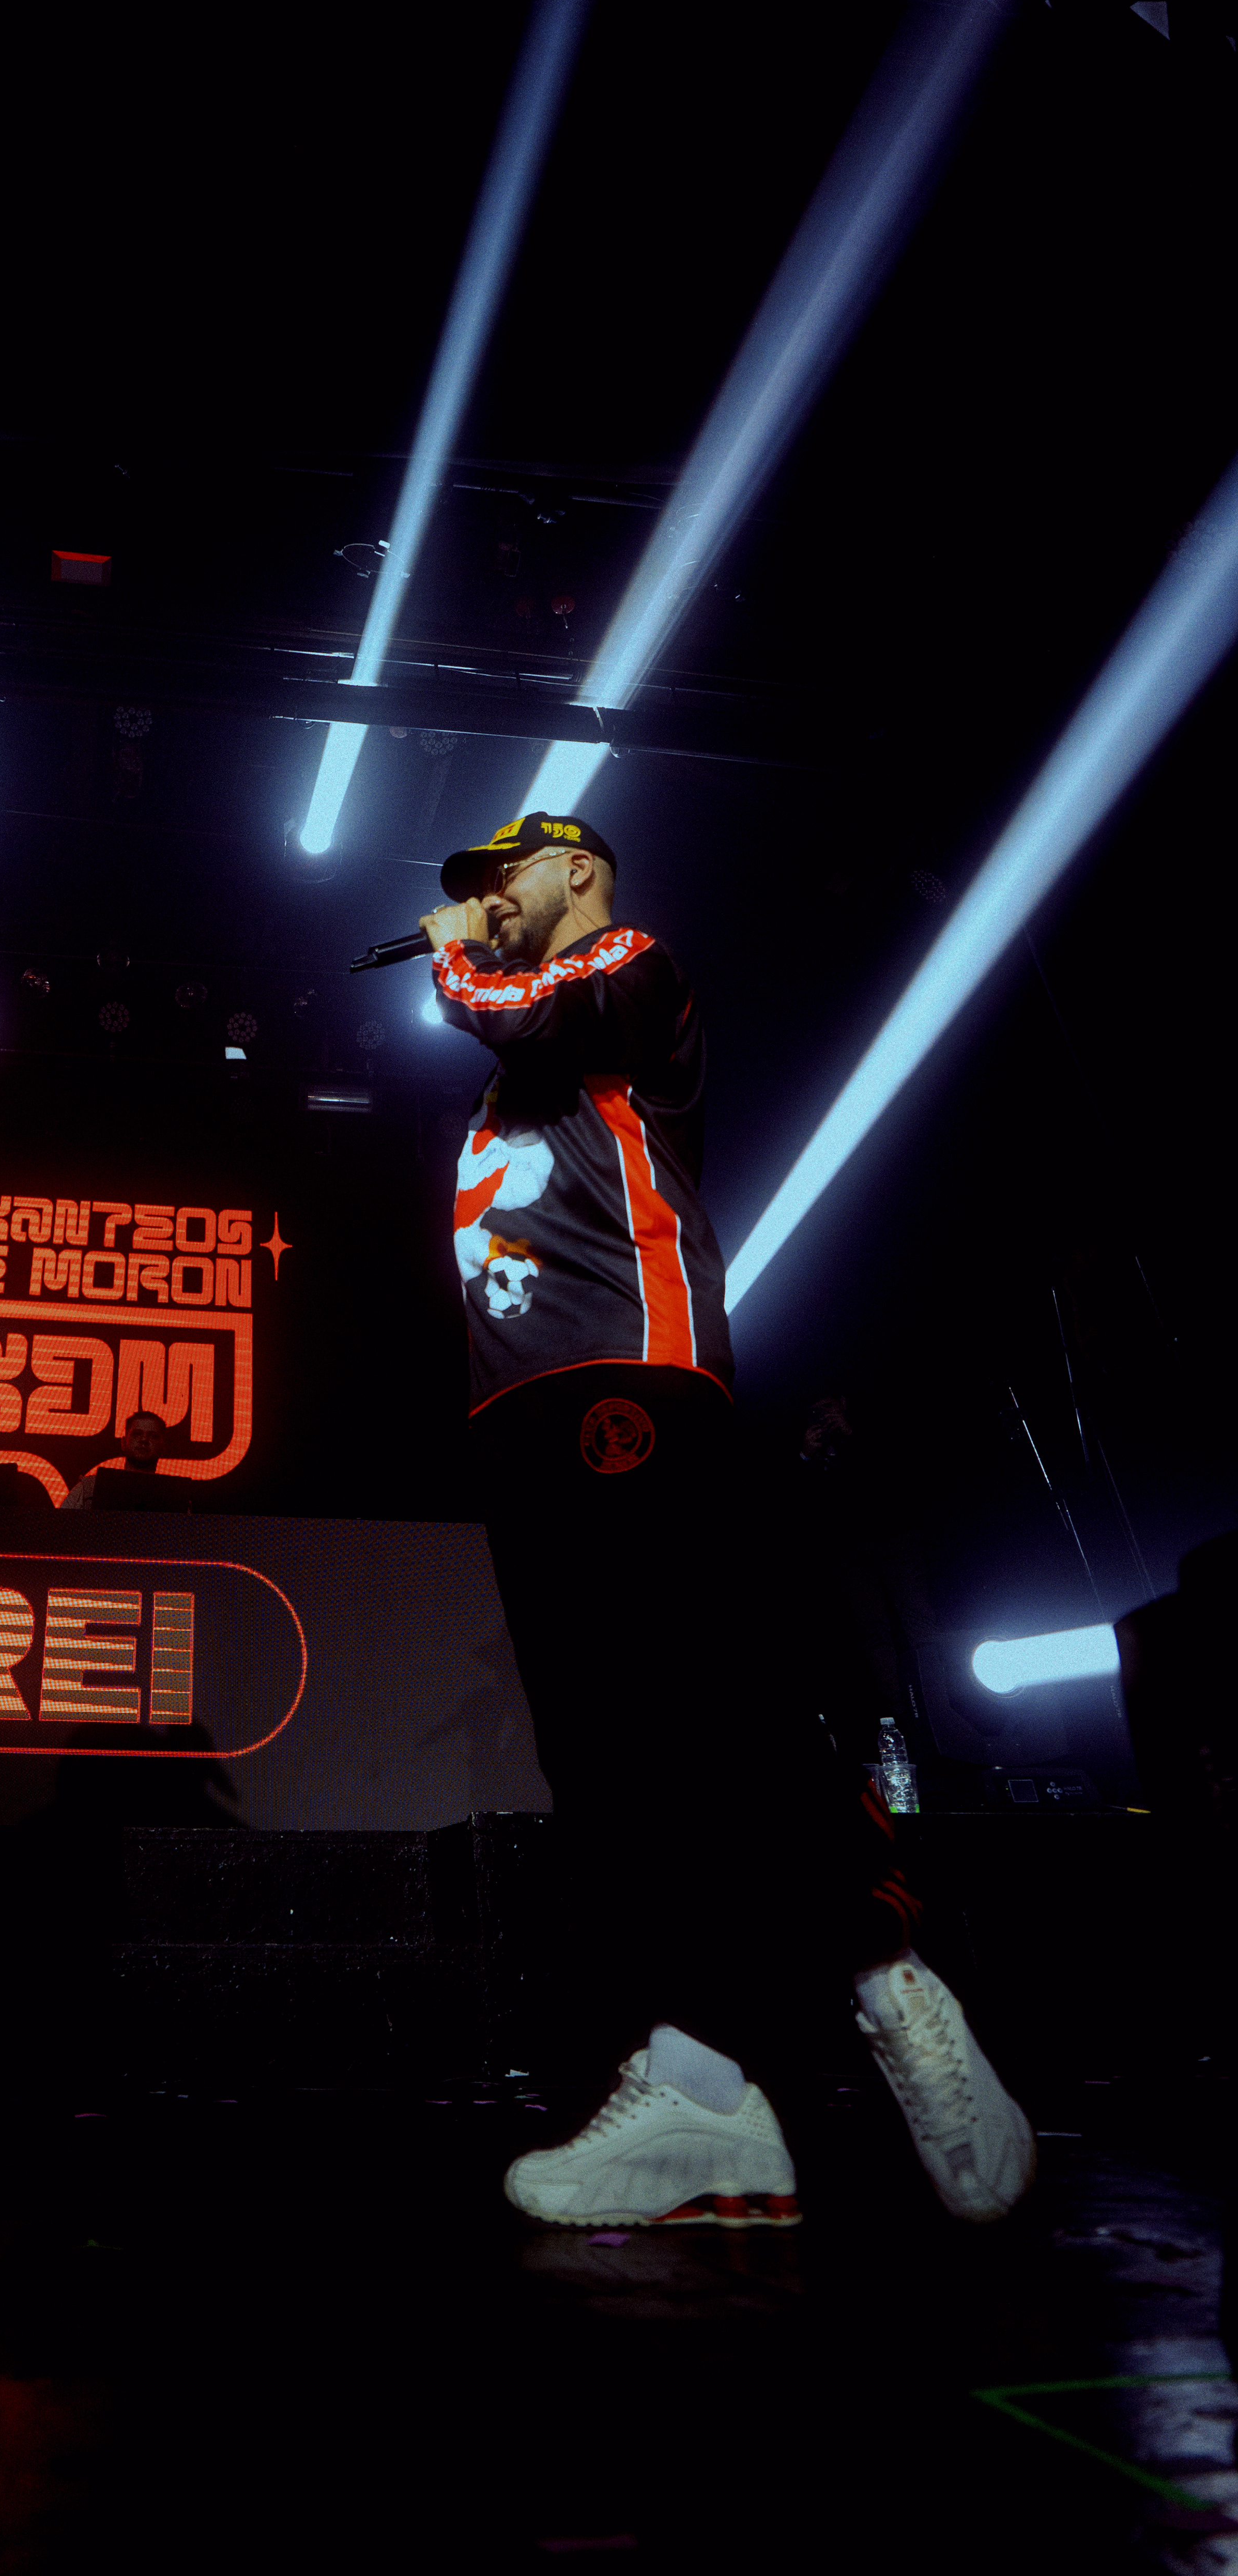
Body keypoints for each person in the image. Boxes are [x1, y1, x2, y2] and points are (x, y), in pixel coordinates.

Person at [421, 808, 1032, 2230]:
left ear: (575, 871)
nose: (486, 903)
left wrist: (455, 961)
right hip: (519, 1407)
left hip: (628, 1378)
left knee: (715, 1703)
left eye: (503, 878)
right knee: (607, 1757)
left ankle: (890, 1975)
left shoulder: (625, 968)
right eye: (471, 893)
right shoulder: (523, 1056)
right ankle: (700, 2087)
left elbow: (523, 1011)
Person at [59, 1406, 193, 1509]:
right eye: (137, 1434)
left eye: (153, 1436)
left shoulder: (175, 1498)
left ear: (163, 1448)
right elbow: (60, 1527)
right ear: (123, 1443)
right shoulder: (89, 1488)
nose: (144, 1440)